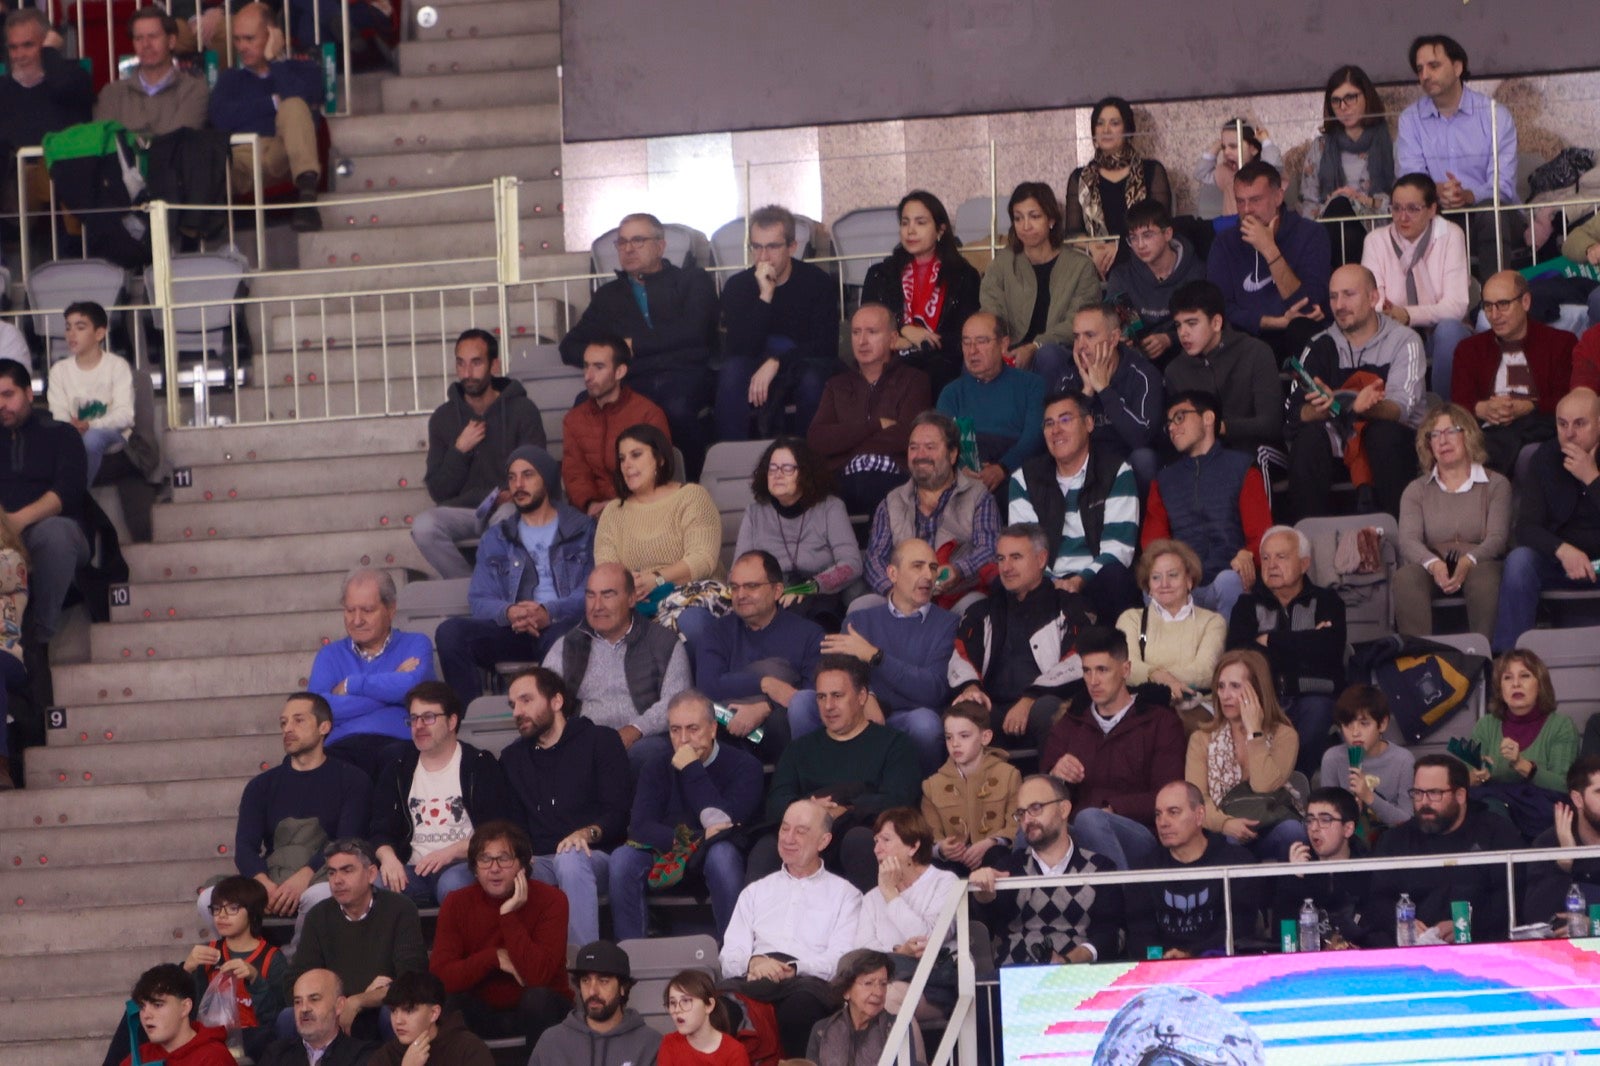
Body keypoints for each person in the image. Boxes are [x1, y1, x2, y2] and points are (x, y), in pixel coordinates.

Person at [204, 693, 369, 955]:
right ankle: (246, 959)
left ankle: (288, 966)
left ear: (324, 727)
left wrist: (303, 878)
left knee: (323, 897)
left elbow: (346, 841)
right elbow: (245, 846)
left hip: (321, 876)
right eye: (283, 723)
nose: (288, 729)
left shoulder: (352, 780)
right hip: (272, 878)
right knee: (209, 899)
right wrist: (263, 884)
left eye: (298, 721)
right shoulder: (261, 785)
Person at [557, 212, 718, 476]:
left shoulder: (691, 280)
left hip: (683, 376)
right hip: (632, 380)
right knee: (583, 405)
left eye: (638, 241)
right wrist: (614, 353)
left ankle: (690, 487)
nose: (628, 249)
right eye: (622, 243)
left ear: (660, 245)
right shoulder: (608, 296)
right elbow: (570, 346)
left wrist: (637, 346)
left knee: (676, 408)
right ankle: (604, 493)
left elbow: (695, 332)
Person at [435, 445, 593, 702]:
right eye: (512, 477)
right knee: (450, 633)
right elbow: (479, 598)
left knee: (560, 637)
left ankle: (558, 720)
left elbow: (591, 592)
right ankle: (467, 723)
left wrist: (548, 612)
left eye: (528, 475)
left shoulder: (582, 530)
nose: (518, 484)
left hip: (564, 625)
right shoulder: (497, 536)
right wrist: (510, 612)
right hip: (515, 628)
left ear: (548, 478)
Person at [755, 656, 923, 892]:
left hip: (861, 831)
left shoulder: (895, 745)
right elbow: (775, 802)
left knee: (860, 841)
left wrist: (846, 810)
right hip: (807, 834)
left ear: (862, 696)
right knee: (767, 848)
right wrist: (809, 809)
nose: (828, 706)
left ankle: (875, 925)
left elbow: (900, 799)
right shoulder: (799, 749)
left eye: (837, 696)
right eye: (821, 697)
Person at [610, 690, 763, 940]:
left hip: (719, 855)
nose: (683, 740)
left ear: (713, 729)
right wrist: (699, 838)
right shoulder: (655, 766)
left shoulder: (745, 767)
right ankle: (630, 958)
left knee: (721, 855)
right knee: (622, 858)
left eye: (693, 729)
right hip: (669, 852)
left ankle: (736, 955)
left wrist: (692, 769)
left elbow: (724, 825)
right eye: (675, 730)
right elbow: (640, 827)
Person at [496, 666, 630, 948]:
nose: (517, 712)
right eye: (513, 704)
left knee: (569, 857)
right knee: (501, 868)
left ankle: (584, 963)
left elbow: (619, 813)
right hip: (542, 860)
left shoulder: (601, 741)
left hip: (598, 856)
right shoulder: (512, 758)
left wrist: (586, 833)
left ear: (556, 702)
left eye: (526, 700)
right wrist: (519, 855)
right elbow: (513, 824)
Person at [798, 537, 956, 774]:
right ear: (892, 573)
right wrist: (867, 696)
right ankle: (814, 788)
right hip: (857, 712)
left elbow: (933, 690)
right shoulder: (859, 621)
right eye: (917, 566)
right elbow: (837, 676)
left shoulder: (948, 623)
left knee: (925, 724)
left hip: (908, 718)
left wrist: (875, 656)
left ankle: (922, 801)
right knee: (802, 703)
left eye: (933, 568)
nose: (928, 575)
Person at [721, 798, 863, 1057]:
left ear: (823, 841)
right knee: (717, 1004)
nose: (788, 838)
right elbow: (730, 953)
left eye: (801, 831)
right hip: (756, 975)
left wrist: (794, 968)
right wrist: (753, 962)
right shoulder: (755, 892)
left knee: (799, 1008)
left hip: (809, 980)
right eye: (784, 829)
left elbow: (841, 961)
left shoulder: (846, 895)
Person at [1039, 626, 1187, 871]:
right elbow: (1044, 792)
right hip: (1076, 830)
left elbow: (1169, 795)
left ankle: (1123, 904)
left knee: (1091, 819)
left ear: (1125, 670)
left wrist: (1114, 809)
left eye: (1102, 670)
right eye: (1086, 671)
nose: (1093, 681)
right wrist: (1056, 775)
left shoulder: (1160, 721)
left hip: (1140, 832)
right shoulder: (1071, 722)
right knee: (1032, 828)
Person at [1288, 263, 1426, 520]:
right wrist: (1321, 408)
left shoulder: (1404, 341)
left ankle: (1401, 536)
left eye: (1349, 294)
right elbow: (1295, 414)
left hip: (1393, 442)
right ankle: (1307, 542)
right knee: (1307, 440)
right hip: (1336, 441)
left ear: (1374, 297)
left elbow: (1401, 410)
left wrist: (1365, 407)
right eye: (1333, 296)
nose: (1339, 305)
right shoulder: (1320, 344)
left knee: (1383, 434)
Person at [948, 523, 1095, 753]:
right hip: (993, 707)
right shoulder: (982, 611)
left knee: (1048, 710)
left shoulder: (1069, 606)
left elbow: (1080, 659)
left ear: (1041, 559)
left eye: (1016, 557)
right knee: (964, 713)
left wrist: (1030, 698)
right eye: (1001, 558)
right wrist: (970, 687)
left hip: (1045, 703)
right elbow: (962, 654)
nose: (1006, 567)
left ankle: (1052, 787)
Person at [370, 682, 518, 907]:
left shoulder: (479, 765)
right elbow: (380, 829)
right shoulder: (398, 769)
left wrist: (452, 851)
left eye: (428, 717)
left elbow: (498, 830)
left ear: (452, 721)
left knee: (453, 883)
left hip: (467, 865)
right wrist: (388, 858)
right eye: (414, 718)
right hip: (413, 869)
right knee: (378, 885)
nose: (419, 726)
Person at [414, 329, 546, 579]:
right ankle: (471, 586)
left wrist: (512, 494)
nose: (467, 373)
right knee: (424, 526)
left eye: (476, 363)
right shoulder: (443, 418)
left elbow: (538, 472)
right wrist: (459, 450)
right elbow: (438, 490)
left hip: (509, 506)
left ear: (494, 365)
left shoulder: (522, 410)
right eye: (460, 363)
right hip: (464, 511)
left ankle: (490, 586)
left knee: (506, 519)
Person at [428, 821, 570, 1052]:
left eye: (504, 859)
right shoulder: (456, 902)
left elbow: (538, 977)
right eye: (485, 860)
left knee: (538, 999)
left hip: (542, 1010)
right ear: (474, 868)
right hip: (483, 1012)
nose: (494, 868)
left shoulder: (552, 901)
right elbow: (441, 979)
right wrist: (493, 957)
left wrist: (508, 915)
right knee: (451, 1005)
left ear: (522, 865)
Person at [1007, 389, 1142, 623]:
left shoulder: (1116, 471)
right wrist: (1051, 582)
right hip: (1043, 580)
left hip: (1096, 579)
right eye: (1049, 423)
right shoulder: (1024, 478)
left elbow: (1118, 548)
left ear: (1089, 423)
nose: (1056, 430)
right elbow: (1024, 547)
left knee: (1117, 577)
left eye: (1065, 420)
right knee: (1006, 580)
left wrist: (1079, 580)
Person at [541, 563, 691, 771]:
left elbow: (677, 703)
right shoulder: (567, 645)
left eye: (607, 595)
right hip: (584, 740)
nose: (597, 605)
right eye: (591, 595)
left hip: (643, 740)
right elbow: (543, 696)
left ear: (631, 599)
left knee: (649, 755)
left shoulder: (663, 643)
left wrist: (635, 729)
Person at [1227, 526, 1347, 776]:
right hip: (1263, 699)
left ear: (1304, 564)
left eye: (1281, 557)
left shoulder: (1327, 601)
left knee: (1318, 712)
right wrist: (1306, 641)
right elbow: (1238, 656)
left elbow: (1330, 650)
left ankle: (1292, 779)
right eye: (1267, 558)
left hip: (1312, 696)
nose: (1271, 565)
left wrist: (1268, 640)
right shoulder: (1247, 605)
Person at [1368, 754, 1525, 945]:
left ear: (1460, 795)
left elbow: (1512, 898)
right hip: (1413, 955)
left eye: (1434, 793)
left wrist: (1467, 925)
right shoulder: (1396, 839)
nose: (1424, 803)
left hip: (1482, 952)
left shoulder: (1496, 833)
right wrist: (1399, 922)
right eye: (1417, 793)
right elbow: (1376, 899)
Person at [283, 838, 428, 1042]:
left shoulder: (400, 909)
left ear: (371, 874)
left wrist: (360, 1001)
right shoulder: (318, 916)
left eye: (347, 870)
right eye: (332, 872)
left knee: (398, 1014)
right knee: (288, 1018)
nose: (337, 880)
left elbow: (412, 981)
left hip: (380, 1010)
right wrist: (341, 1003)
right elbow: (296, 981)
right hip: (334, 1010)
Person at [1396, 34, 1520, 274]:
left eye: (1433, 66)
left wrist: (1469, 195)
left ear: (1457, 67)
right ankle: (1435, 310)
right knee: (1418, 219)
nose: (1425, 75)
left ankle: (1493, 306)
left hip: (1491, 214)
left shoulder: (1494, 115)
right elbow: (1409, 181)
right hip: (1438, 212)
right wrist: (1436, 190)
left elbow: (1502, 185)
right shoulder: (1410, 120)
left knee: (1490, 215)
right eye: (1420, 69)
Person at [1143, 390, 1271, 621]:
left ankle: (1230, 656)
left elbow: (1262, 536)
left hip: (1227, 577)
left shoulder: (1242, 468)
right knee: (1152, 589)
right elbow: (1154, 545)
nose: (1172, 427)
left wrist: (1248, 554)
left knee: (1229, 581)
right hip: (1181, 583)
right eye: (1169, 423)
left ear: (1208, 418)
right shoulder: (1163, 480)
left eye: (1180, 417)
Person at [715, 203, 840, 438]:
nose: (763, 256)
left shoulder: (817, 282)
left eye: (772, 247)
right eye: (757, 247)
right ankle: (731, 459)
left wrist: (777, 362)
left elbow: (825, 345)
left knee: (813, 380)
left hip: (801, 361)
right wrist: (765, 297)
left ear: (792, 247)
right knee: (731, 372)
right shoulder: (738, 286)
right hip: (754, 361)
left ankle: (808, 460)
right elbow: (739, 348)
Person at [1491, 387, 1600, 652]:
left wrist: (1592, 478)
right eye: (1562, 424)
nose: (1570, 433)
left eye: (1580, 424)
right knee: (1519, 561)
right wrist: (1562, 550)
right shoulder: (1545, 457)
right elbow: (1526, 528)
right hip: (1561, 562)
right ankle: (1510, 662)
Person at [1395, 404, 1512, 639]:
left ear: (1468, 435)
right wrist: (1433, 564)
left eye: (1450, 432)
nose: (1442, 441)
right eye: (1434, 435)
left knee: (1485, 578)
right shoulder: (1415, 490)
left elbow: (1498, 538)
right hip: (1431, 565)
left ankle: (1486, 659)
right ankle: (1418, 660)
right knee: (1406, 577)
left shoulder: (1496, 484)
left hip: (1480, 562)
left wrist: (1468, 561)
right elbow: (1408, 540)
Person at [693, 550, 823, 760]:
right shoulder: (716, 632)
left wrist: (765, 707)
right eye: (734, 587)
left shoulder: (809, 634)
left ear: (777, 590)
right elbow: (709, 686)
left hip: (782, 731)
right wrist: (766, 684)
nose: (741, 594)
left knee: (791, 713)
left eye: (751, 586)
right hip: (728, 725)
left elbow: (812, 696)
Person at [308, 569, 437, 780]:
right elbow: (318, 711)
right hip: (341, 748)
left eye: (367, 610)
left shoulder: (416, 643)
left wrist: (351, 685)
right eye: (350, 610)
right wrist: (389, 689)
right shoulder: (330, 654)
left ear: (391, 609)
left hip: (398, 744)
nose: (356, 620)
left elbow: (410, 687)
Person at [862, 411, 1000, 607]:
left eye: (930, 447)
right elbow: (875, 558)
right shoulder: (892, 501)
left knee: (976, 605)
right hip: (903, 598)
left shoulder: (978, 496)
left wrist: (958, 570)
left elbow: (989, 549)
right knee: (862, 606)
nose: (920, 455)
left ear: (953, 455)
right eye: (913, 448)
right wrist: (892, 591)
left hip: (956, 597)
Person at [807, 303, 933, 516]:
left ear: (893, 339)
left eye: (872, 332)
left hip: (895, 479)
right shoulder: (837, 385)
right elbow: (817, 439)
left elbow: (908, 437)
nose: (862, 341)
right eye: (856, 332)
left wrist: (844, 443)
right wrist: (875, 425)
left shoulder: (914, 380)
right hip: (843, 481)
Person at [208, 3, 323, 230]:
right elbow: (221, 119)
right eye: (237, 39)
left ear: (272, 34)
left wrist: (276, 60)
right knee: (209, 160)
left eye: (250, 39)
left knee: (292, 106)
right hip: (240, 160)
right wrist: (271, 102)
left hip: (282, 154)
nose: (242, 47)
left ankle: (308, 197)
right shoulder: (230, 78)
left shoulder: (302, 69)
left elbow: (302, 104)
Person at [0, 359, 89, 650]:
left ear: (29, 393)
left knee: (56, 534)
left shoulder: (61, 433)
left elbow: (68, 491)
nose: (1, 404)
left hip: (48, 530)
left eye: (7, 395)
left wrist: (18, 521)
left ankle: (40, 634)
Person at [1451, 270, 1577, 474]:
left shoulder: (1561, 343)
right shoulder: (1468, 350)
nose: (1494, 315)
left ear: (1525, 302)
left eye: (1503, 304)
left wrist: (1529, 406)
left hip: (1541, 427)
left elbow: (1569, 398)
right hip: (1487, 430)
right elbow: (1458, 402)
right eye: (1488, 306)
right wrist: (1482, 408)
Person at [1186, 649, 1307, 861]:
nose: (1225, 695)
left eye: (1235, 686)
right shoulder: (1201, 739)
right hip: (1222, 832)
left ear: (1258, 689)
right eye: (1221, 686)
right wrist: (1226, 824)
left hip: (1270, 823)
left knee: (1293, 831)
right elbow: (1197, 800)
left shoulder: (1284, 735)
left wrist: (1254, 732)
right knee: (1232, 845)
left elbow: (1264, 786)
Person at [1207, 160, 1332, 364]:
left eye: (1255, 200)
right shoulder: (1224, 243)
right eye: (1240, 201)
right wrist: (1275, 322)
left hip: (1297, 336)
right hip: (1248, 337)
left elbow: (1308, 307)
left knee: (1301, 330)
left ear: (1278, 197)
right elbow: (1220, 308)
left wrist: (1268, 248)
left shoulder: (1311, 234)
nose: (1247, 210)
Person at [979, 181, 1103, 387]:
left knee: (1048, 356)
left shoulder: (1080, 266)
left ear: (1051, 220)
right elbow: (991, 311)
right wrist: (999, 345)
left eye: (1034, 216)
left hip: (1059, 349)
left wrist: (1036, 345)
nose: (1025, 226)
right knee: (977, 359)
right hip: (1009, 348)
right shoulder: (1002, 264)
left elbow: (1077, 321)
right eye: (1018, 218)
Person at [732, 436, 862, 630]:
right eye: (773, 468)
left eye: (787, 468)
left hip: (821, 592)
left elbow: (852, 563)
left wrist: (809, 587)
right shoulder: (755, 513)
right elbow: (739, 569)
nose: (777, 475)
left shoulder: (830, 507)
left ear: (805, 474)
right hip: (770, 595)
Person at [1362, 173, 1473, 398]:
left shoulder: (1451, 235)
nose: (1403, 217)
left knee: (1449, 329)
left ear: (1432, 209)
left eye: (1413, 209)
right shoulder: (1376, 240)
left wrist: (1408, 315)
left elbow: (1455, 305)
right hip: (1393, 331)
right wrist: (1396, 316)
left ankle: (1446, 411)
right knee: (1377, 331)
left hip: (1437, 333)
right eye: (1396, 208)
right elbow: (1373, 301)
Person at [859, 190, 981, 391]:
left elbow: (964, 335)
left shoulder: (963, 275)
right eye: (905, 223)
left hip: (941, 365)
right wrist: (905, 330)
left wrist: (922, 344)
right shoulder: (879, 275)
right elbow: (867, 326)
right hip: (890, 359)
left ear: (940, 230)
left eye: (920, 223)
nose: (910, 231)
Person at [1126, 781, 1260, 959]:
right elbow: (1139, 934)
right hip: (1161, 970)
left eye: (1173, 812)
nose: (1162, 822)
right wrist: (1166, 958)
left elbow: (1239, 928)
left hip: (1218, 967)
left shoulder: (1236, 862)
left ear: (1199, 815)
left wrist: (1191, 954)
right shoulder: (1143, 869)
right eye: (1158, 814)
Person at [593, 423, 723, 605]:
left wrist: (656, 580)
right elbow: (607, 570)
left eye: (636, 455)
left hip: (693, 598)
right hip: (636, 602)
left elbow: (703, 559)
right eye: (622, 459)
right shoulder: (613, 511)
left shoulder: (692, 496)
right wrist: (632, 585)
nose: (627, 465)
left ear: (660, 459)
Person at [1164, 280, 1285, 457]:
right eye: (1178, 325)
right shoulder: (1175, 371)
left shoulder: (1255, 352)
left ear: (1216, 322)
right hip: (1204, 457)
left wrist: (1218, 426)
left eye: (1191, 323)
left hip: (1258, 451)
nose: (1183, 333)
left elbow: (1271, 424)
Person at [1467, 649, 1580, 838]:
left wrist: (1522, 765)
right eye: (1508, 678)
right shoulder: (1485, 726)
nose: (1516, 684)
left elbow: (1565, 786)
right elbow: (1463, 781)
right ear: (1500, 688)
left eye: (1525, 676)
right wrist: (1477, 776)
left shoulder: (1561, 726)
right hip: (1495, 812)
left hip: (1542, 815)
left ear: (1540, 685)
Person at [1051, 302, 1165, 489]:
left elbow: (1141, 437)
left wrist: (1104, 390)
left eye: (1089, 335)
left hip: (1127, 462)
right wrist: (1086, 393)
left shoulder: (1143, 375)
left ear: (1114, 339)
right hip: (1085, 464)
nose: (1081, 346)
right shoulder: (1070, 376)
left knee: (1144, 459)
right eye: (1076, 337)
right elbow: (1059, 438)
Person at [561, 335, 672, 516]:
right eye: (586, 366)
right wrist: (591, 505)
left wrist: (620, 506)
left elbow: (657, 471)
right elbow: (575, 474)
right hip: (592, 515)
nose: (588, 376)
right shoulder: (573, 419)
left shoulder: (648, 413)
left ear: (620, 372)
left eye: (598, 367)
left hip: (641, 513)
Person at [1064, 96, 1174, 277]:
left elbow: (1160, 224)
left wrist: (1121, 247)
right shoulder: (1080, 177)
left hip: (1142, 257)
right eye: (1100, 124)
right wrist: (1095, 247)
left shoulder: (1151, 171)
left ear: (1128, 130)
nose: (1106, 130)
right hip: (1097, 260)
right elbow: (1072, 233)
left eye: (1114, 123)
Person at [935, 312, 1047, 487]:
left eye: (981, 341)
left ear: (1003, 344)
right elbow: (941, 440)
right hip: (962, 476)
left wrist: (1002, 468)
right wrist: (962, 469)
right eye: (966, 342)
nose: (972, 350)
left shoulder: (1032, 385)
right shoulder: (951, 393)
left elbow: (1034, 438)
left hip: (1016, 471)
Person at [182, 876, 286, 1062]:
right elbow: (187, 1009)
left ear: (253, 913)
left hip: (255, 1043)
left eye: (232, 908)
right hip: (211, 1039)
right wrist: (186, 969)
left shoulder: (272, 958)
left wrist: (255, 980)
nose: (221, 915)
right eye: (216, 909)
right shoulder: (207, 952)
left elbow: (278, 1018)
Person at [1114, 540, 1226, 710]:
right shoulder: (1131, 619)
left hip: (1196, 709)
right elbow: (1126, 669)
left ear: (1189, 580)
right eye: (1156, 577)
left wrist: (1154, 675)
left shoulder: (1213, 622)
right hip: (1145, 709)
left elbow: (1205, 672)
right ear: (1149, 586)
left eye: (1173, 575)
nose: (1164, 584)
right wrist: (1160, 677)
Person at [1300, 66, 1396, 265]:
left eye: (1350, 97)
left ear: (1367, 98)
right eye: (1336, 101)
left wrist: (1360, 200)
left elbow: (1402, 198)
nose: (1343, 107)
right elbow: (1309, 205)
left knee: (1345, 206)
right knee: (1339, 205)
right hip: (1330, 227)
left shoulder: (1391, 141)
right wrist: (1337, 200)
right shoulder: (1320, 146)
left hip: (1377, 226)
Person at [0, 8, 91, 210]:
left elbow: (62, 88)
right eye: (13, 48)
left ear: (47, 42)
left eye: (28, 45)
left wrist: (50, 53)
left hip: (67, 196)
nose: (19, 55)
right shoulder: (3, 90)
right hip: (13, 198)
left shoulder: (74, 78)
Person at [853, 808, 960, 969]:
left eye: (886, 840)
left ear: (913, 846)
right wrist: (899, 953)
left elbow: (927, 939)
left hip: (934, 977)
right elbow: (862, 953)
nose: (877, 849)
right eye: (876, 841)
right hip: (886, 981)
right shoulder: (872, 897)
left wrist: (891, 895)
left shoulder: (944, 881)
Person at [1106, 199, 1207, 369]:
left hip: (1186, 356)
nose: (1140, 245)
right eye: (1133, 238)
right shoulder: (1122, 277)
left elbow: (1206, 323)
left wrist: (1169, 339)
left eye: (1147, 235)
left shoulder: (1196, 272)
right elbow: (1121, 323)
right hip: (1137, 360)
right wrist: (1124, 338)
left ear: (1167, 234)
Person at [526, 940, 663, 1066]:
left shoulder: (651, 1044)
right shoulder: (552, 1042)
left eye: (603, 981)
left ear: (623, 987)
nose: (592, 991)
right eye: (585, 980)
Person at [920, 702, 1020, 873]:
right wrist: (942, 848)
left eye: (964, 736)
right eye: (949, 737)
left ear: (985, 737)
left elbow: (1016, 825)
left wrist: (992, 842)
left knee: (998, 856)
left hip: (996, 859)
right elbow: (929, 835)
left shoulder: (1009, 775)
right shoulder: (932, 785)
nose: (955, 744)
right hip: (953, 863)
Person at [46, 301, 134, 487]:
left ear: (100, 333)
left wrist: (91, 424)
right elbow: (58, 412)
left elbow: (125, 415)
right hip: (72, 433)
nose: (71, 334)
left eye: (80, 327)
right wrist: (71, 427)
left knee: (92, 438)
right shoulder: (59, 370)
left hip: (111, 434)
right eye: (68, 327)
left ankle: (76, 496)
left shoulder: (117, 366)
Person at [1275, 787, 1374, 947]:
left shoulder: (1368, 869)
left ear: (1348, 829)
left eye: (1325, 820)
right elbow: (1282, 938)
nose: (1314, 828)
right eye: (1310, 819)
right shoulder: (1298, 866)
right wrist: (1294, 879)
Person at [94, 6, 209, 135]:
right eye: (138, 38)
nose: (146, 45)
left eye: (153, 36)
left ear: (171, 41)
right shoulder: (111, 94)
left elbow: (177, 141)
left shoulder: (194, 89)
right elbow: (105, 143)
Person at [1318, 684, 1415, 832]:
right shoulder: (1333, 758)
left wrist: (1369, 797)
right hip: (1350, 841)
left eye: (1364, 724)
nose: (1355, 732)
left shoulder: (1403, 760)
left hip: (1392, 840)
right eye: (1347, 724)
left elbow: (1407, 821)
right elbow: (1325, 818)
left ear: (1382, 724)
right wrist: (1348, 811)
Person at [804, 949, 926, 1066]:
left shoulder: (896, 1028)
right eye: (868, 983)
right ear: (846, 990)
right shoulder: (822, 1030)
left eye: (883, 984)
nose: (878, 992)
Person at [1523, 755, 1600, 927]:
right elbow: (1535, 920)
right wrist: (1563, 864)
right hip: (1566, 951)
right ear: (1578, 799)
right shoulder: (1548, 843)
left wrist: (1595, 925)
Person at [254, 969, 377, 1066]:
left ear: (339, 1005)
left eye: (314, 999)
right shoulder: (276, 1055)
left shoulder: (363, 1056)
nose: (304, 1008)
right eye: (298, 1001)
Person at [118, 963, 234, 1066]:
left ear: (185, 1007)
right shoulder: (138, 1058)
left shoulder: (214, 1058)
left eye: (157, 1005)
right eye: (142, 1007)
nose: (146, 1015)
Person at [372, 973, 492, 1066]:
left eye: (408, 1010)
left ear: (434, 1013)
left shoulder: (468, 1049)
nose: (398, 1021)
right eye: (393, 1011)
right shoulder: (385, 1057)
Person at [1194, 117, 1283, 221]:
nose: (1226, 152)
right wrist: (1216, 146)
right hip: (1230, 226)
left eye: (1233, 146)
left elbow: (1274, 165)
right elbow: (1201, 174)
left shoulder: (1262, 172)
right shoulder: (1226, 171)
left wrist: (1264, 140)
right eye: (1224, 147)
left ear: (1253, 149)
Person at [657, 969, 751, 1066]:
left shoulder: (734, 1051)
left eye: (685, 1001)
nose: (677, 1009)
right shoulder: (669, 1043)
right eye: (672, 1003)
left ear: (709, 1005)